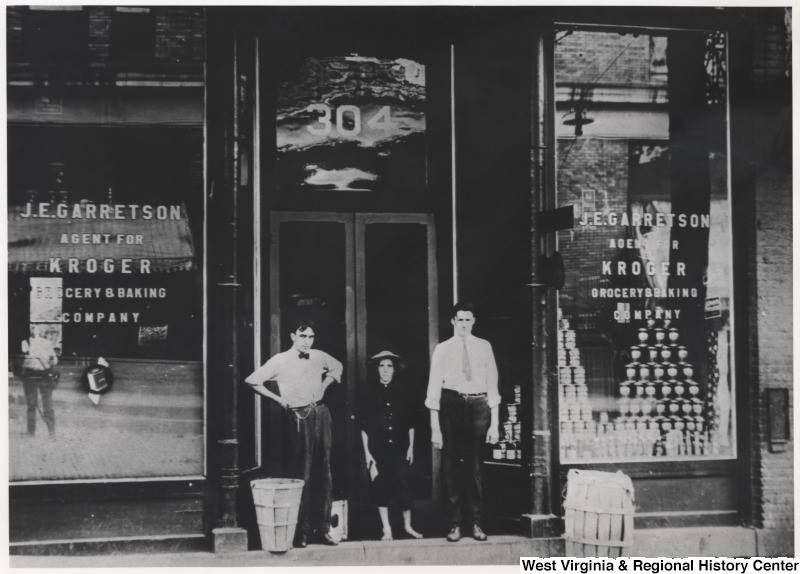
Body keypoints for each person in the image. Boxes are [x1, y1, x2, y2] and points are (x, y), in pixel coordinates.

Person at [244, 319, 343, 548]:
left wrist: (324, 386)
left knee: (325, 471)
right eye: (303, 336)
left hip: (321, 413)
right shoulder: (280, 360)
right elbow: (252, 380)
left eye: (311, 337)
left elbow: (337, 367)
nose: (307, 342)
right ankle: (301, 532)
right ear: (292, 336)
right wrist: (279, 400)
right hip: (299, 417)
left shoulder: (318, 356)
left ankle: (325, 528)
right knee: (303, 473)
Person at [425, 302, 500, 542]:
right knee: (452, 467)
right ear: (453, 322)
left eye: (468, 320)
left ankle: (476, 523)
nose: (464, 324)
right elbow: (434, 387)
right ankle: (454, 525)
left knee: (475, 467)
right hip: (452, 404)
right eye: (460, 320)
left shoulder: (484, 347)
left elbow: (492, 385)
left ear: (474, 321)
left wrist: (495, 423)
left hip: (478, 405)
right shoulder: (443, 349)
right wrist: (435, 427)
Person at [359, 350, 423, 541]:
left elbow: (411, 423)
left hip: (400, 447)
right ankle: (386, 529)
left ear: (394, 370)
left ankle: (408, 526)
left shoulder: (404, 393)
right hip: (378, 449)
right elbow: (363, 427)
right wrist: (367, 453)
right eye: (382, 366)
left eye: (389, 366)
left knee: (403, 484)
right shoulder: (369, 393)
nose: (385, 370)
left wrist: (411, 447)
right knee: (380, 486)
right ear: (377, 369)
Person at [19, 332, 59, 438]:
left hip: (36, 375)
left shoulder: (25, 342)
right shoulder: (45, 342)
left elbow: (53, 360)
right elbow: (54, 360)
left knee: (36, 405)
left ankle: (35, 432)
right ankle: (50, 432)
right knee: (43, 405)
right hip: (37, 375)